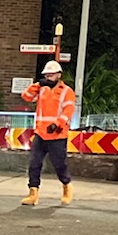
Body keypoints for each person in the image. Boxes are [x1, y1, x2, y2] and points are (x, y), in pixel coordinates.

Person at [21, 60, 76, 206]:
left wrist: (57, 124)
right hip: (40, 133)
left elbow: (68, 110)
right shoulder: (42, 89)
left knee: (59, 165)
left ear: (59, 75)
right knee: (34, 163)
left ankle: (66, 186)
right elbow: (26, 96)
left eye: (51, 75)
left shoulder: (66, 91)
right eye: (47, 75)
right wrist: (37, 85)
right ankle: (33, 194)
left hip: (57, 134)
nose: (49, 77)